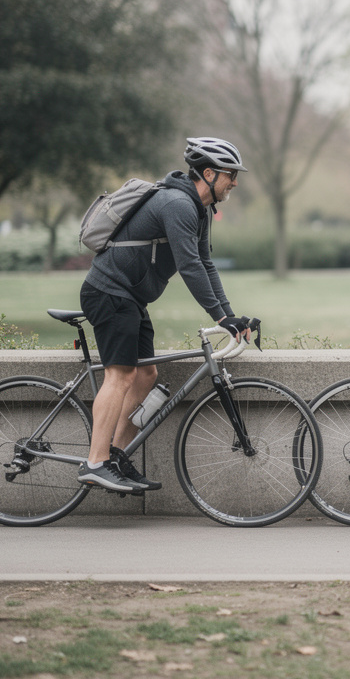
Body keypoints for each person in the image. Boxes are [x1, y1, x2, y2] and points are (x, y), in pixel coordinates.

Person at [76, 137, 255, 493]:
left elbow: (205, 263)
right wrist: (220, 318)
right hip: (109, 292)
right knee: (121, 375)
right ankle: (95, 463)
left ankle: (114, 455)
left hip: (129, 298)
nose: (234, 182)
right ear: (209, 174)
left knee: (146, 375)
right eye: (230, 175)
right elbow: (189, 267)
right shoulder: (176, 203)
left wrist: (230, 316)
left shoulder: (199, 209)